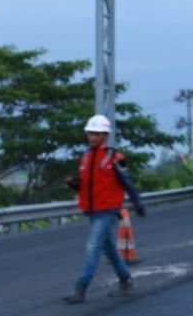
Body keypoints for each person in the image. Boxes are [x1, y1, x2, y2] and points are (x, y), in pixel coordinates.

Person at [62, 114, 146, 304]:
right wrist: (73, 184)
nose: (93, 137)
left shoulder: (115, 157)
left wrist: (137, 203)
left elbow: (127, 183)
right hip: (92, 210)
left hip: (108, 210)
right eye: (91, 133)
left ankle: (81, 288)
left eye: (97, 134)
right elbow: (85, 185)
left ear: (105, 135)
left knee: (93, 247)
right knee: (108, 248)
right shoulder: (86, 157)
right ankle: (125, 280)